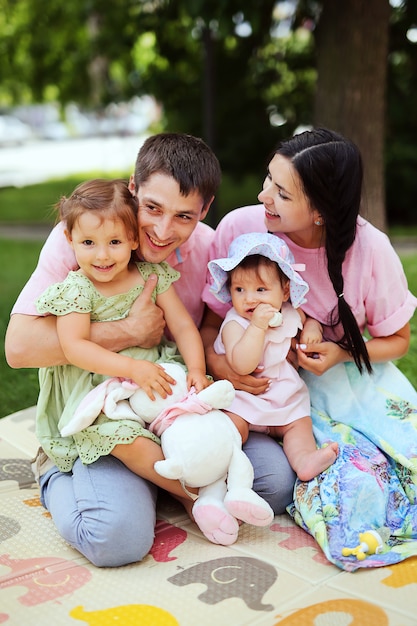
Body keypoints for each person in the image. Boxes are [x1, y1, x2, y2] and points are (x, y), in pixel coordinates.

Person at [5, 133, 295, 568]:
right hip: (105, 407)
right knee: (116, 539)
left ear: (205, 209)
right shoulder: (88, 238)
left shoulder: (208, 249)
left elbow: (209, 325)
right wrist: (128, 331)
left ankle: (166, 481)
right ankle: (69, 476)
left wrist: (215, 364)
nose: (162, 230)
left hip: (168, 399)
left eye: (183, 216)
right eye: (153, 208)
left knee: (274, 483)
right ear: (133, 188)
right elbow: (19, 349)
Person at [201, 127, 417, 567]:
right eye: (268, 180)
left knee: (388, 473)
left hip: (343, 382)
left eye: (281, 193)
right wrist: (223, 368)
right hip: (257, 388)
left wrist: (340, 353)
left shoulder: (370, 250)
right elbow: (208, 326)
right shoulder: (242, 230)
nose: (263, 196)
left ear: (319, 211)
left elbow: (398, 340)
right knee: (345, 488)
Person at [34, 178, 210, 479]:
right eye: (88, 243)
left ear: (133, 239)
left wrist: (196, 368)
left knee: (199, 420)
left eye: (114, 242)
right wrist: (132, 368)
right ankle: (188, 495)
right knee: (131, 443)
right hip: (98, 387)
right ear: (69, 238)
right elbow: (74, 347)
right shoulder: (77, 289)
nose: (102, 256)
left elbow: (182, 326)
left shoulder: (150, 275)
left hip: (152, 376)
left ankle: (206, 470)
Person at [208, 232, 338, 481]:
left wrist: (313, 329)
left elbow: (307, 320)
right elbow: (241, 365)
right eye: (239, 289)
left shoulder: (290, 313)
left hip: (284, 397)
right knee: (231, 426)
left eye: (260, 289)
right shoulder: (235, 324)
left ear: (285, 292)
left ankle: (305, 460)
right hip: (245, 400)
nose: (249, 298)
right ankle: (221, 466)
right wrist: (257, 327)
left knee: (299, 426)